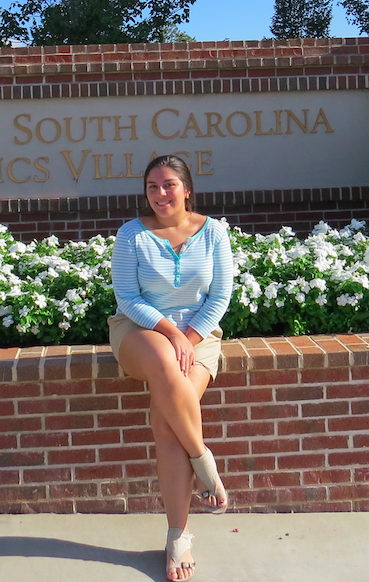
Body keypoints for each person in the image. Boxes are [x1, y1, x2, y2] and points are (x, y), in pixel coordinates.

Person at [109, 155, 233, 582]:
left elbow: (220, 297)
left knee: (165, 423)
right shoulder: (131, 235)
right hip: (140, 332)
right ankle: (204, 463)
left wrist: (190, 337)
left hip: (200, 337)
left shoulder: (213, 232)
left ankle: (177, 536)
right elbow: (128, 297)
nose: (160, 194)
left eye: (168, 185)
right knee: (164, 360)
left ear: (186, 188)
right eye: (152, 187)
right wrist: (172, 334)